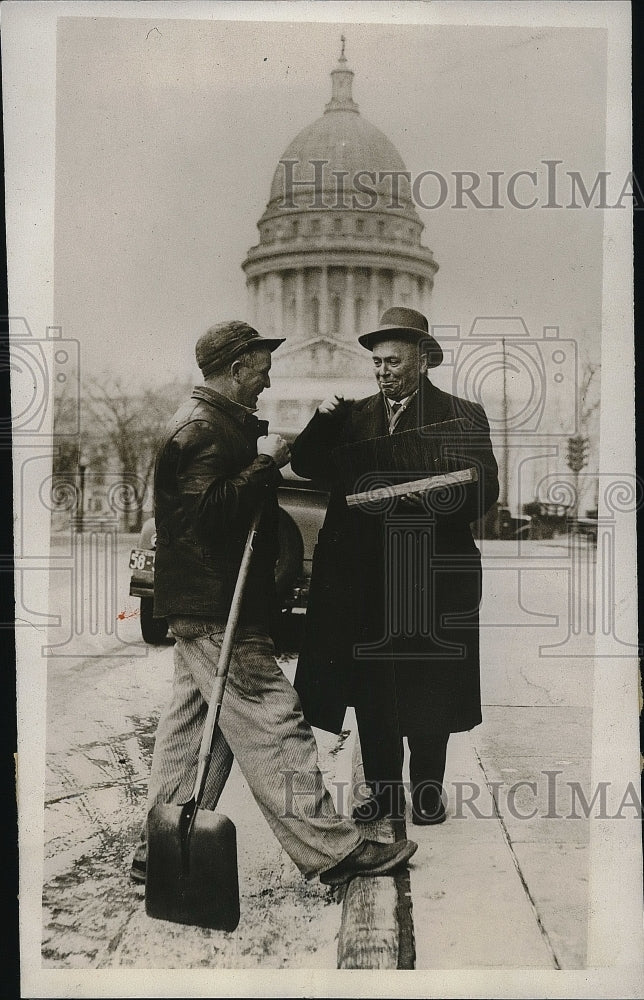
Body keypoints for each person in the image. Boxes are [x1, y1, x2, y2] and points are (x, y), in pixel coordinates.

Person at [130, 320, 417, 889]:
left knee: (197, 731)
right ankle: (333, 849)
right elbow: (206, 516)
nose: (266, 382)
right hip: (218, 609)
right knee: (276, 720)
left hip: (205, 605)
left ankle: (157, 853)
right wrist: (267, 462)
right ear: (236, 369)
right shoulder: (204, 429)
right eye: (260, 372)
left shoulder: (213, 421)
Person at [291, 307, 499, 825]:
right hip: (366, 580)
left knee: (431, 683)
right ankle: (383, 794)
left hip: (432, 575)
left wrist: (431, 496)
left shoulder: (463, 415)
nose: (383, 372)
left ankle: (427, 792)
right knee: (373, 686)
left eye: (394, 362)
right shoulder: (351, 416)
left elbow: (485, 491)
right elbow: (307, 465)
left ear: (423, 361)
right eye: (377, 363)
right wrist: (322, 419)